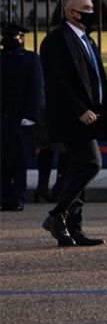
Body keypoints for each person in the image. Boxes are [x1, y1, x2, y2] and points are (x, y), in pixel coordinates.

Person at [37, 0, 107, 246]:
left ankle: (73, 228)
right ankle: (57, 215)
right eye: (86, 8)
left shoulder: (88, 41)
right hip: (71, 118)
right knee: (91, 164)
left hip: (91, 115)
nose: (92, 12)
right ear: (71, 12)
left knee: (78, 169)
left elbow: (98, 80)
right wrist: (78, 110)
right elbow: (57, 82)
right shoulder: (55, 41)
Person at [1, 19, 44, 211]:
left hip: (20, 117)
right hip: (3, 116)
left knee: (19, 159)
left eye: (11, 37)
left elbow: (36, 89)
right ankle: (3, 196)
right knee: (2, 158)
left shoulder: (30, 59)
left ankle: (18, 196)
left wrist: (31, 115)